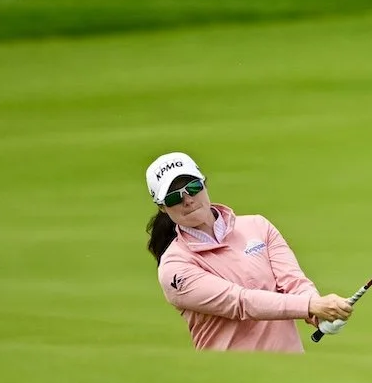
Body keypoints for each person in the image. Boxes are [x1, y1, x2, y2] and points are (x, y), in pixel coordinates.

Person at [144, 151, 352, 352]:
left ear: (204, 184)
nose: (187, 199)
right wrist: (311, 305)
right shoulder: (174, 268)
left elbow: (293, 282)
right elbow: (240, 302)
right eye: (173, 198)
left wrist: (318, 315)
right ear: (162, 207)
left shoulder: (258, 226)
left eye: (193, 186)